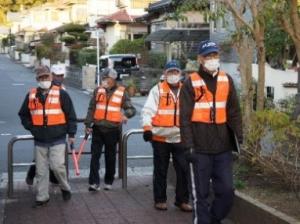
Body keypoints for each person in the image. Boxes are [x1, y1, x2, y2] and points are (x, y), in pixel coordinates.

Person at [179, 40, 243, 224]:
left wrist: (239, 139)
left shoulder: (226, 79)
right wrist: (188, 146)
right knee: (201, 195)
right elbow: (184, 118)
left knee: (227, 192)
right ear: (200, 59)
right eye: (208, 56)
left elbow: (234, 112)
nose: (212, 59)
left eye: (215, 55)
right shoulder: (190, 83)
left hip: (222, 148)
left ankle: (213, 219)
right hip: (199, 149)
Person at [18, 65, 77, 207]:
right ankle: (42, 197)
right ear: (37, 79)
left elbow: (71, 115)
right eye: (41, 77)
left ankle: (65, 187)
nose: (44, 79)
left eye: (46, 77)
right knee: (40, 170)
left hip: (58, 137)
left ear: (50, 77)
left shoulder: (61, 93)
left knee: (57, 167)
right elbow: (23, 114)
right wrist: (32, 128)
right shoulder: (31, 95)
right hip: (40, 139)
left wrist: (71, 133)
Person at [141, 60, 192, 212]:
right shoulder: (157, 90)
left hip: (180, 137)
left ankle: (182, 200)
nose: (173, 75)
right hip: (160, 138)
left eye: (176, 72)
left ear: (181, 74)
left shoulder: (187, 91)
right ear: (165, 74)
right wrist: (147, 128)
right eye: (170, 72)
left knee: (183, 169)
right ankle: (160, 199)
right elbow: (147, 111)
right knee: (160, 170)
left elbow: (193, 113)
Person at [85, 68, 136, 191]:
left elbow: (131, 109)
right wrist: (88, 124)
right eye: (103, 78)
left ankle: (109, 181)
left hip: (112, 130)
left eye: (106, 78)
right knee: (95, 156)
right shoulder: (98, 90)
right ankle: (94, 182)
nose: (104, 81)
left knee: (110, 156)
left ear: (113, 80)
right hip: (97, 128)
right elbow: (92, 107)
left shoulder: (122, 92)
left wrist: (125, 115)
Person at [25, 64, 67, 186]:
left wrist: (66, 128)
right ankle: (32, 175)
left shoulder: (62, 90)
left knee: (56, 160)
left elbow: (67, 110)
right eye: (57, 76)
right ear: (52, 76)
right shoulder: (39, 90)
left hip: (57, 129)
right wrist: (33, 127)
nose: (59, 78)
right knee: (41, 159)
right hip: (42, 130)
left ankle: (54, 179)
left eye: (61, 76)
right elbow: (27, 112)